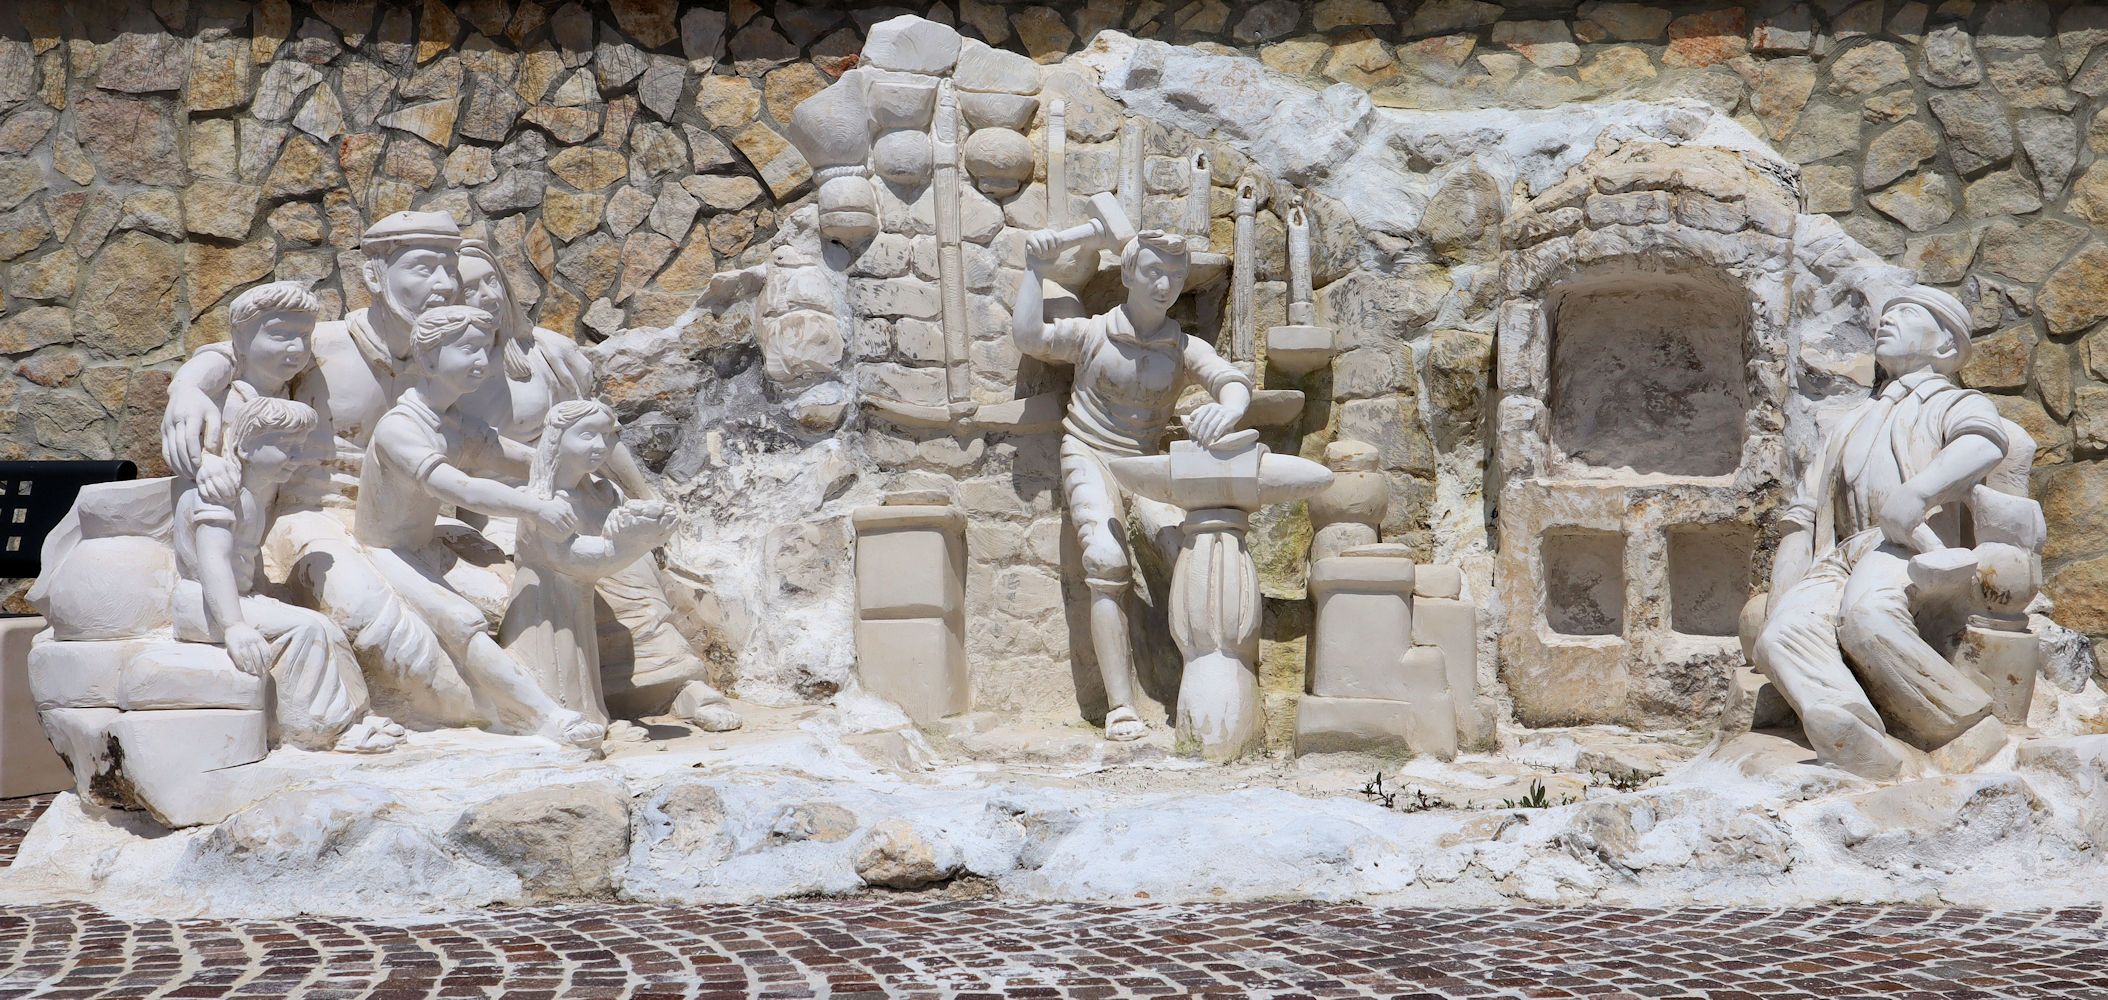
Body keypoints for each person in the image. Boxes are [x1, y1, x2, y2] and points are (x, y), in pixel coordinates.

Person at [161, 212, 472, 716]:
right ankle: (463, 714)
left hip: (410, 522)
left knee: (495, 600)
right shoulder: (318, 344)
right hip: (316, 519)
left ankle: (503, 713)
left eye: (450, 269)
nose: (442, 285)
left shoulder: (447, 352)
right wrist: (188, 389)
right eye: (423, 268)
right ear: (375, 275)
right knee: (376, 620)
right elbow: (235, 353)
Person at [454, 240, 743, 733]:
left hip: (577, 493)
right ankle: (601, 695)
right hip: (498, 514)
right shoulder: (439, 368)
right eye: (468, 289)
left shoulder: (546, 353)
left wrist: (645, 497)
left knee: (635, 574)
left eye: (492, 282)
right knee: (576, 569)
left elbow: (600, 435)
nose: (487, 296)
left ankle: (679, 684)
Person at [1752, 285, 2025, 779]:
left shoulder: (1953, 402)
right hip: (1843, 552)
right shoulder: (1850, 420)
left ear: (1947, 345)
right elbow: (1804, 511)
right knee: (1781, 634)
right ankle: (1853, 731)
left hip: (1909, 548)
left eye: (1907, 313)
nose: (1886, 321)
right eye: (1885, 314)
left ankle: (1962, 722)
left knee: (1866, 616)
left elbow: (1985, 444)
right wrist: (1785, 583)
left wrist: (1920, 491)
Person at [1013, 228, 1252, 741]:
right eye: (1153, 272)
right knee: (1106, 561)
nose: (1165, 285)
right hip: (1090, 453)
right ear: (1127, 273)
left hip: (1145, 463)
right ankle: (1121, 706)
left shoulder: (1181, 346)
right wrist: (1034, 272)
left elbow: (1231, 380)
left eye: (1176, 276)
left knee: (1190, 550)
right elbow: (1030, 338)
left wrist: (1230, 408)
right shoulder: (1093, 333)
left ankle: (1199, 686)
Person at [356, 306, 603, 749]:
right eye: (468, 349)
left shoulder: (453, 420)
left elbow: (509, 456)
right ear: (428, 359)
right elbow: (461, 489)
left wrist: (575, 468)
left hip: (425, 546)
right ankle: (547, 716)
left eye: (486, 350)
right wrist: (534, 507)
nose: (482, 362)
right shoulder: (401, 428)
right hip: (386, 552)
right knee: (462, 619)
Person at [172, 395, 403, 753]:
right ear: (246, 447)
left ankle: (355, 715)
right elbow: (213, 560)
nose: (295, 458)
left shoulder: (251, 495)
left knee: (326, 626)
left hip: (235, 598)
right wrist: (234, 626)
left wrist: (265, 593)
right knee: (307, 630)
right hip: (202, 604)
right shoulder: (220, 493)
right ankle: (321, 730)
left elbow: (246, 560)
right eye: (285, 447)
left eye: (299, 448)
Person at [498, 399, 675, 735]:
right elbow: (570, 558)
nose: (600, 446)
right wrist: (636, 542)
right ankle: (563, 725)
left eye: (605, 437)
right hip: (545, 602)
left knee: (581, 672)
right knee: (559, 669)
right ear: (556, 439)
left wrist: (647, 526)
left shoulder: (600, 493)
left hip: (575, 597)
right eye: (587, 435)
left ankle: (595, 720)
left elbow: (614, 530)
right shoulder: (543, 501)